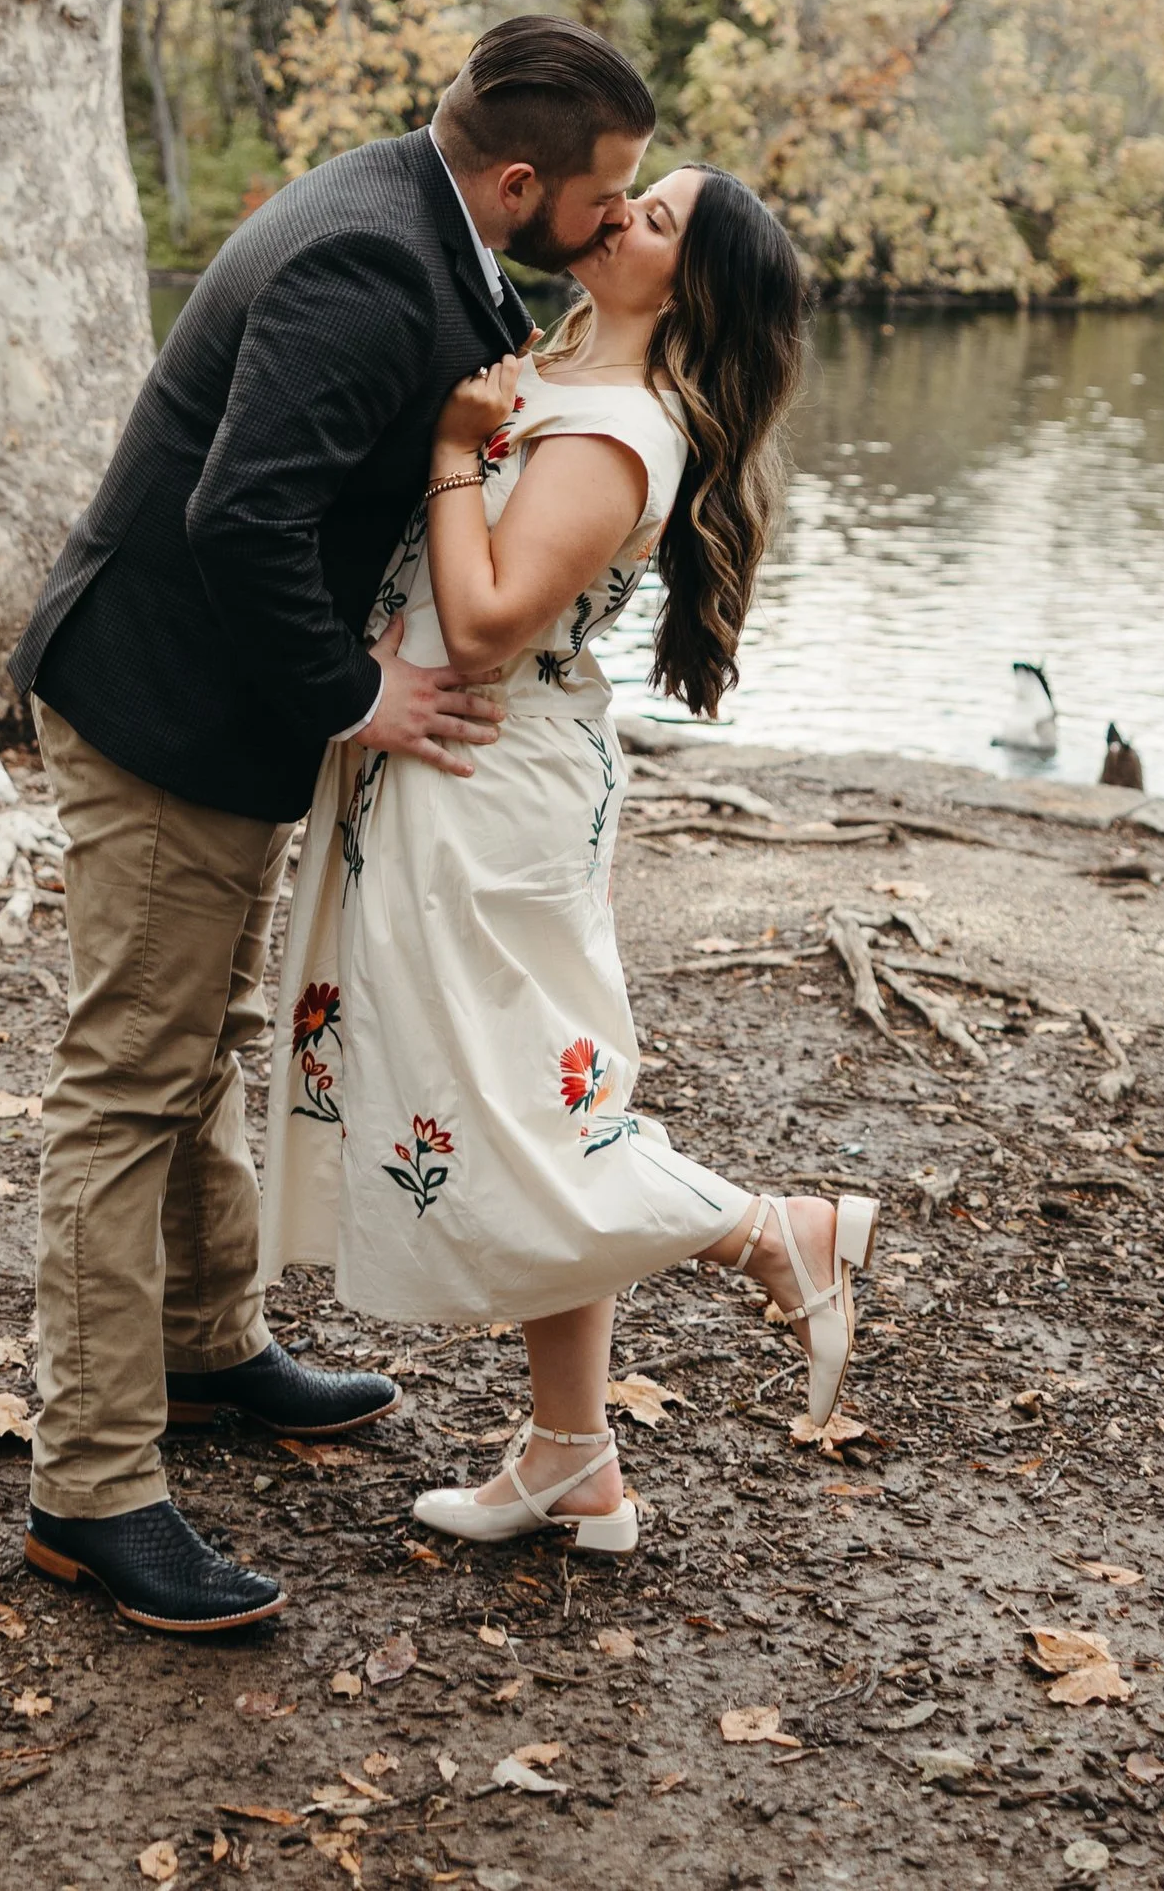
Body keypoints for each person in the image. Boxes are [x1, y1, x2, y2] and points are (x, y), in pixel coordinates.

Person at [8, 16, 658, 1634]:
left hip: (219, 714)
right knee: (128, 1079)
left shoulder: (418, 216)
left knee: (210, 1032)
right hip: (162, 702)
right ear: (524, 179)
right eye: (608, 195)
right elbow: (241, 512)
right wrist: (354, 695)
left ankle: (209, 1346)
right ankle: (91, 1488)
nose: (609, 222)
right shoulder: (369, 263)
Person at [262, 164, 878, 1555]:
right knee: (547, 1083)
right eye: (632, 196)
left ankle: (770, 1230)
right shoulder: (553, 361)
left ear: (692, 289)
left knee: (520, 1106)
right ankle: (574, 1456)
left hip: (485, 770)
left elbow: (480, 620)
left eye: (654, 222)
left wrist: (443, 445)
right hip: (442, 762)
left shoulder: (618, 432)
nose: (617, 219)